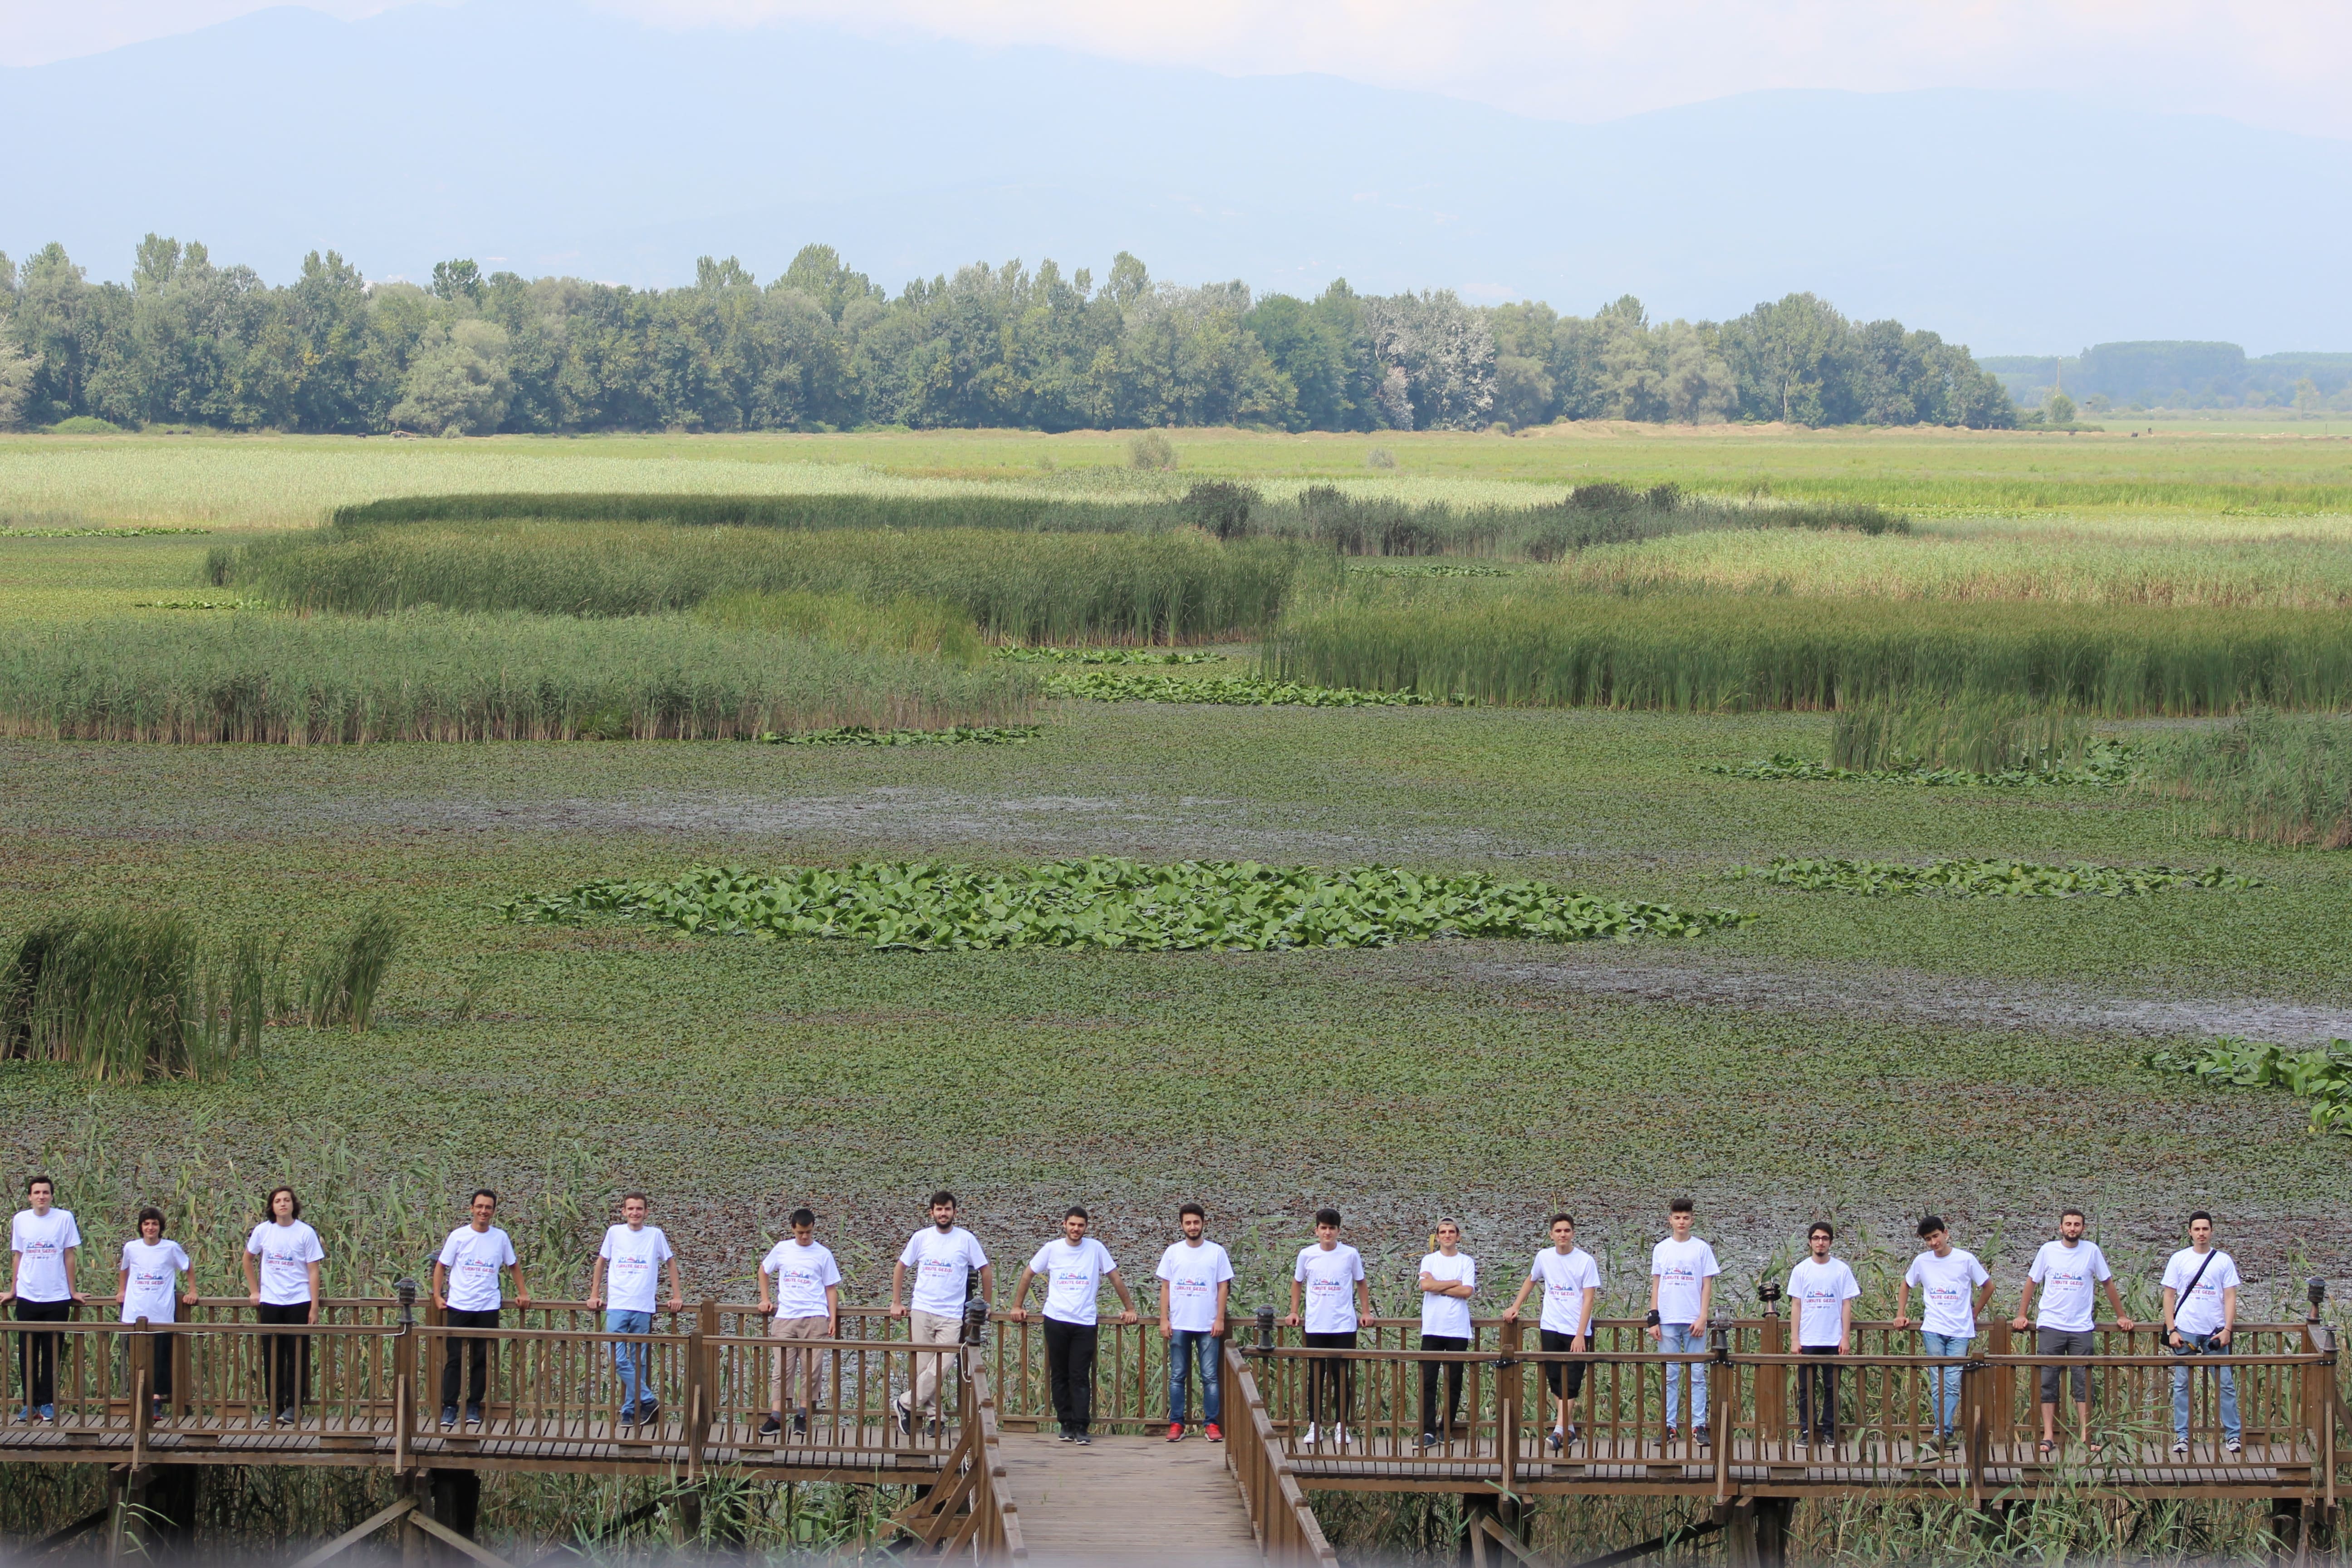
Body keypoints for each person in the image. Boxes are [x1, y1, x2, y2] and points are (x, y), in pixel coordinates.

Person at [1008, 1207, 1137, 1445]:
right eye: (1072, 1225)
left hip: (1084, 1322)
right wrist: (1017, 1306)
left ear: (1086, 1227)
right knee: (1059, 1374)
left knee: (1080, 1375)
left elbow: (1115, 1277)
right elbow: (1028, 1274)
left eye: (1081, 1225)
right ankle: (1065, 1423)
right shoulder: (1052, 1249)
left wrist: (1130, 1308)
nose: (1076, 1229)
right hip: (1056, 1318)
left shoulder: (1096, 1248)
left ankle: (1081, 1427)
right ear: (1064, 1225)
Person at [2011, 1206, 2134, 1456]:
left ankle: (2086, 1437)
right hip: (2051, 1325)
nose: (2072, 1229)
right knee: (2048, 1382)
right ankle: (2047, 1436)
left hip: (2081, 1327)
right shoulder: (2048, 1250)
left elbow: (2107, 1283)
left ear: (2083, 1228)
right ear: (2061, 1227)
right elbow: (2031, 1282)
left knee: (2084, 1383)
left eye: (2077, 1225)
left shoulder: (2092, 1252)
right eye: (2068, 1224)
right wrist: (2022, 1314)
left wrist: (2121, 1315)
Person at [890, 1191, 992, 1436]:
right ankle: (937, 1419)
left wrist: (986, 1305)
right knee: (925, 1369)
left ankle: (905, 1403)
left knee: (943, 1365)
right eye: (939, 1209)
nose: (943, 1214)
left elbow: (986, 1271)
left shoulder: (966, 1239)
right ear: (932, 1212)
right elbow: (901, 1267)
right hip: (922, 1311)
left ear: (955, 1212)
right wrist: (896, 1302)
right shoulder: (921, 1238)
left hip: (952, 1314)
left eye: (947, 1209)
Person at [1894, 1215, 1995, 1459]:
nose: (1933, 1243)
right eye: (1928, 1239)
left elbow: (1988, 1286)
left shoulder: (1965, 1259)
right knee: (1938, 1383)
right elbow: (1906, 1285)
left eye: (1936, 1237)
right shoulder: (1922, 1262)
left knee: (1951, 1382)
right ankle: (1944, 1433)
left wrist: (1974, 1313)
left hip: (1960, 1330)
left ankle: (1942, 1433)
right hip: (1933, 1329)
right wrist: (1901, 1314)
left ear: (1946, 1233)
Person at [433, 1189, 529, 1430]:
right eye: (480, 1207)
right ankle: (449, 1407)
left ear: (494, 1211)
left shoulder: (500, 1238)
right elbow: (441, 1266)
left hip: (488, 1306)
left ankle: (474, 1405)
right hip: (459, 1305)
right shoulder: (459, 1236)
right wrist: (436, 1295)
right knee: (454, 1359)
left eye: (488, 1207)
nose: (483, 1211)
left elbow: (513, 1266)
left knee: (481, 1359)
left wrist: (523, 1293)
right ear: (472, 1209)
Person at [1504, 1214, 1600, 1454]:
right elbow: (1532, 1279)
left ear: (1573, 1234)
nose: (1563, 1235)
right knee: (1556, 1380)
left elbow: (1589, 1299)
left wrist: (1580, 1334)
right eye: (1558, 1231)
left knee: (1572, 1382)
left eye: (1567, 1231)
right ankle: (1568, 1431)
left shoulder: (1585, 1261)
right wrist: (1516, 1306)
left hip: (1575, 1330)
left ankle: (1559, 1430)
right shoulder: (1544, 1257)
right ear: (1551, 1235)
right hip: (1551, 1326)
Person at [587, 1191, 681, 1428]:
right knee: (617, 1359)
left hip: (643, 1306)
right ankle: (648, 1398)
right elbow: (601, 1262)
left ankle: (630, 1411)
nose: (635, 1213)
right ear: (624, 1212)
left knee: (639, 1362)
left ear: (646, 1212)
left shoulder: (655, 1235)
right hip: (618, 1304)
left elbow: (670, 1262)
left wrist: (677, 1295)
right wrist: (595, 1294)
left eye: (639, 1209)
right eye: (631, 1209)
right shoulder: (615, 1233)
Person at [1283, 1208, 1372, 1450]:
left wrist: (1365, 1312)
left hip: (1343, 1326)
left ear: (1338, 1231)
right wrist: (1294, 1311)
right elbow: (1297, 1282)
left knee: (1341, 1376)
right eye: (1323, 1228)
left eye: (1332, 1228)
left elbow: (1361, 1282)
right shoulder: (1307, 1255)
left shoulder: (1350, 1255)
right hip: (1315, 1325)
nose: (1328, 1232)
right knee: (1315, 1377)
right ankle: (1315, 1424)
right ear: (1317, 1230)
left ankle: (1342, 1426)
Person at [2162, 1210, 2241, 1457]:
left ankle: (2233, 1435)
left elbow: (2230, 1296)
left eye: (2205, 1229)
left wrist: (2228, 1329)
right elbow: (2169, 1295)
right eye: (2197, 1230)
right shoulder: (2179, 1259)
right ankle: (2182, 1436)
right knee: (2182, 1385)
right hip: (2186, 1331)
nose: (2201, 1234)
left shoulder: (2223, 1261)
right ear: (2190, 1232)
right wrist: (2172, 1329)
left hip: (2215, 1332)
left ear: (2211, 1231)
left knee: (2225, 1384)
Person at [243, 1186, 323, 1424]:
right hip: (271, 1301)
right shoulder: (263, 1231)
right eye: (278, 1201)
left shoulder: (305, 1233)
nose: (283, 1204)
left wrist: (314, 1306)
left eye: (287, 1200)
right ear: (272, 1206)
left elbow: (313, 1270)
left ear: (293, 1204)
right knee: (272, 1356)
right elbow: (247, 1259)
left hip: (299, 1300)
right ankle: (274, 1406)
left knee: (297, 1355)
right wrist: (254, 1290)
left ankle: (294, 1406)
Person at [4, 1176, 82, 1423]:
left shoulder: (64, 1218)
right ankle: (29, 1404)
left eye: (46, 1192)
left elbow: (69, 1255)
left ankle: (48, 1403)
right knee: (27, 1353)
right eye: (37, 1192)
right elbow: (18, 1256)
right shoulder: (21, 1220)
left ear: (51, 1196)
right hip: (28, 1296)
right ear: (29, 1196)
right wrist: (13, 1290)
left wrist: (73, 1291)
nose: (41, 1197)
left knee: (52, 1352)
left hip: (57, 1297)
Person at [759, 1208, 841, 1439]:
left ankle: (803, 1416)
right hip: (786, 1317)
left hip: (815, 1317)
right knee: (781, 1370)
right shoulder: (782, 1249)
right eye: (801, 1233)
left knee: (810, 1371)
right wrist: (765, 1299)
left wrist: (831, 1318)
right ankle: (776, 1416)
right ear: (793, 1228)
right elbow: (763, 1271)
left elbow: (831, 1288)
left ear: (814, 1227)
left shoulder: (823, 1254)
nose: (804, 1237)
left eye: (808, 1232)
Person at [1155, 1202, 1232, 1443]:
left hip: (1208, 1325)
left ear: (1203, 1224)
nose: (1192, 1226)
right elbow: (1165, 1286)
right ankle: (1177, 1423)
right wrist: (1164, 1319)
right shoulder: (1173, 1252)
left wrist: (1220, 1318)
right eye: (1188, 1223)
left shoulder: (1216, 1252)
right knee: (1177, 1376)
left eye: (1196, 1222)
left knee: (1210, 1377)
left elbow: (1223, 1287)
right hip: (1179, 1324)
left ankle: (1211, 1424)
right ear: (1182, 1225)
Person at [1648, 1198, 1720, 1446]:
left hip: (1693, 1322)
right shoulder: (1661, 1249)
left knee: (1698, 1375)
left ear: (1692, 1220)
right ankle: (1669, 1427)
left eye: (1686, 1218)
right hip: (1667, 1320)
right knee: (1670, 1375)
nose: (1681, 1222)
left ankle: (1697, 1426)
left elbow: (1707, 1285)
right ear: (1670, 1220)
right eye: (1677, 1218)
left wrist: (1703, 1317)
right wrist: (1653, 1317)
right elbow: (1656, 1284)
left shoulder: (1701, 1249)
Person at [117, 1207, 196, 1423]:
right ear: (141, 1227)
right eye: (146, 1224)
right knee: (135, 1357)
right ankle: (137, 1400)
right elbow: (124, 1269)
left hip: (161, 1313)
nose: (150, 1228)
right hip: (135, 1312)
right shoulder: (131, 1248)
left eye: (154, 1224)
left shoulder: (171, 1248)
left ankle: (156, 1401)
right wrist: (122, 1290)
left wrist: (192, 1292)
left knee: (160, 1359)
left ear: (160, 1227)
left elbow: (188, 1267)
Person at [1785, 1222, 1859, 1450]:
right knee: (1806, 1390)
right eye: (1816, 1238)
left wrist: (1845, 1338)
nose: (1820, 1242)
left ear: (1831, 1243)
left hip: (1833, 1340)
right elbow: (1796, 1305)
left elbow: (1846, 1305)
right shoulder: (1801, 1270)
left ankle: (1830, 1431)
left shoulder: (1841, 1270)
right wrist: (1795, 1339)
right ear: (1810, 1242)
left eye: (1825, 1238)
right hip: (1808, 1340)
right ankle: (1806, 1431)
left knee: (1831, 1388)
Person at [1413, 1220, 1477, 1450]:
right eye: (1443, 1232)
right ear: (1437, 1237)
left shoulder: (1466, 1262)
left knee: (1453, 1382)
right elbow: (1425, 1287)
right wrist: (1452, 1283)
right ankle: (1428, 1431)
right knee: (1428, 1380)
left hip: (1457, 1329)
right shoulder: (1429, 1260)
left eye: (1452, 1232)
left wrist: (1437, 1284)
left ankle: (1446, 1429)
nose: (1447, 1236)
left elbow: (1467, 1291)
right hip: (1432, 1328)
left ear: (1458, 1236)